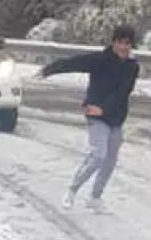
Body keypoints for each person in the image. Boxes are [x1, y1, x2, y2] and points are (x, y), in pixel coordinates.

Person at [42, 25, 142, 212]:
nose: (123, 47)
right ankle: (72, 191)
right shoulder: (100, 60)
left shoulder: (132, 67)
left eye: (127, 44)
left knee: (110, 160)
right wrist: (48, 70)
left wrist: (103, 109)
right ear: (113, 42)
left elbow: (123, 92)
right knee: (98, 155)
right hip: (95, 114)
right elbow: (73, 63)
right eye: (120, 42)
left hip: (114, 116)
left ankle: (95, 197)